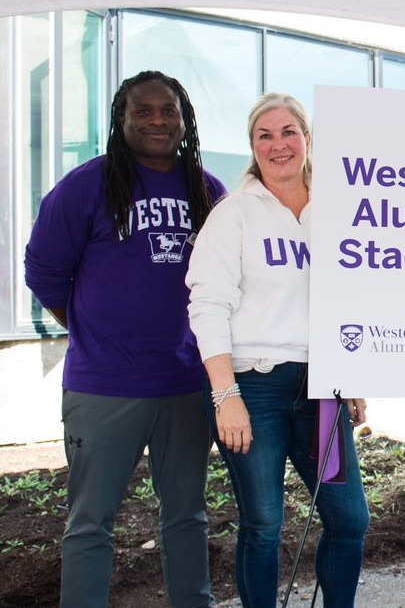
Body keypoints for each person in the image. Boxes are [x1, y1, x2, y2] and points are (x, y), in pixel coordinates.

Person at [24, 70, 224, 608]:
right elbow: (44, 273)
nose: (158, 119)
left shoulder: (208, 191)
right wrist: (94, 330)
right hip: (104, 386)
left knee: (187, 514)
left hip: (185, 383)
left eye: (169, 110)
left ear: (185, 120)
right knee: (90, 522)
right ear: (121, 119)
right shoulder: (86, 185)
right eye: (144, 110)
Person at [186, 93, 370, 608]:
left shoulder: (338, 209)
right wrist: (226, 395)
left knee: (350, 518)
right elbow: (207, 305)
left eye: (288, 131)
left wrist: (351, 376)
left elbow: (350, 296)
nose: (278, 144)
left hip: (321, 389)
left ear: (307, 139)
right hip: (255, 388)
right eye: (264, 136)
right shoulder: (234, 215)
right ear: (252, 147)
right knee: (265, 523)